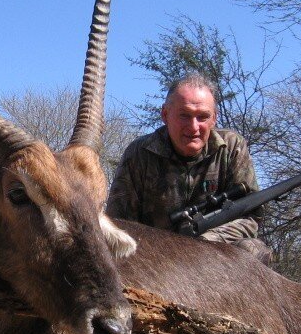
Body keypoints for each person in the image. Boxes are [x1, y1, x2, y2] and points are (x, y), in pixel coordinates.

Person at [107, 72, 269, 260]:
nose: (193, 127)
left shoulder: (232, 147)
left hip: (214, 253)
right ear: (165, 115)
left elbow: (250, 217)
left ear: (214, 118)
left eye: (202, 117)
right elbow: (117, 224)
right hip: (154, 256)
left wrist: (205, 240)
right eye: (184, 116)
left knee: (253, 249)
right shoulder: (139, 153)